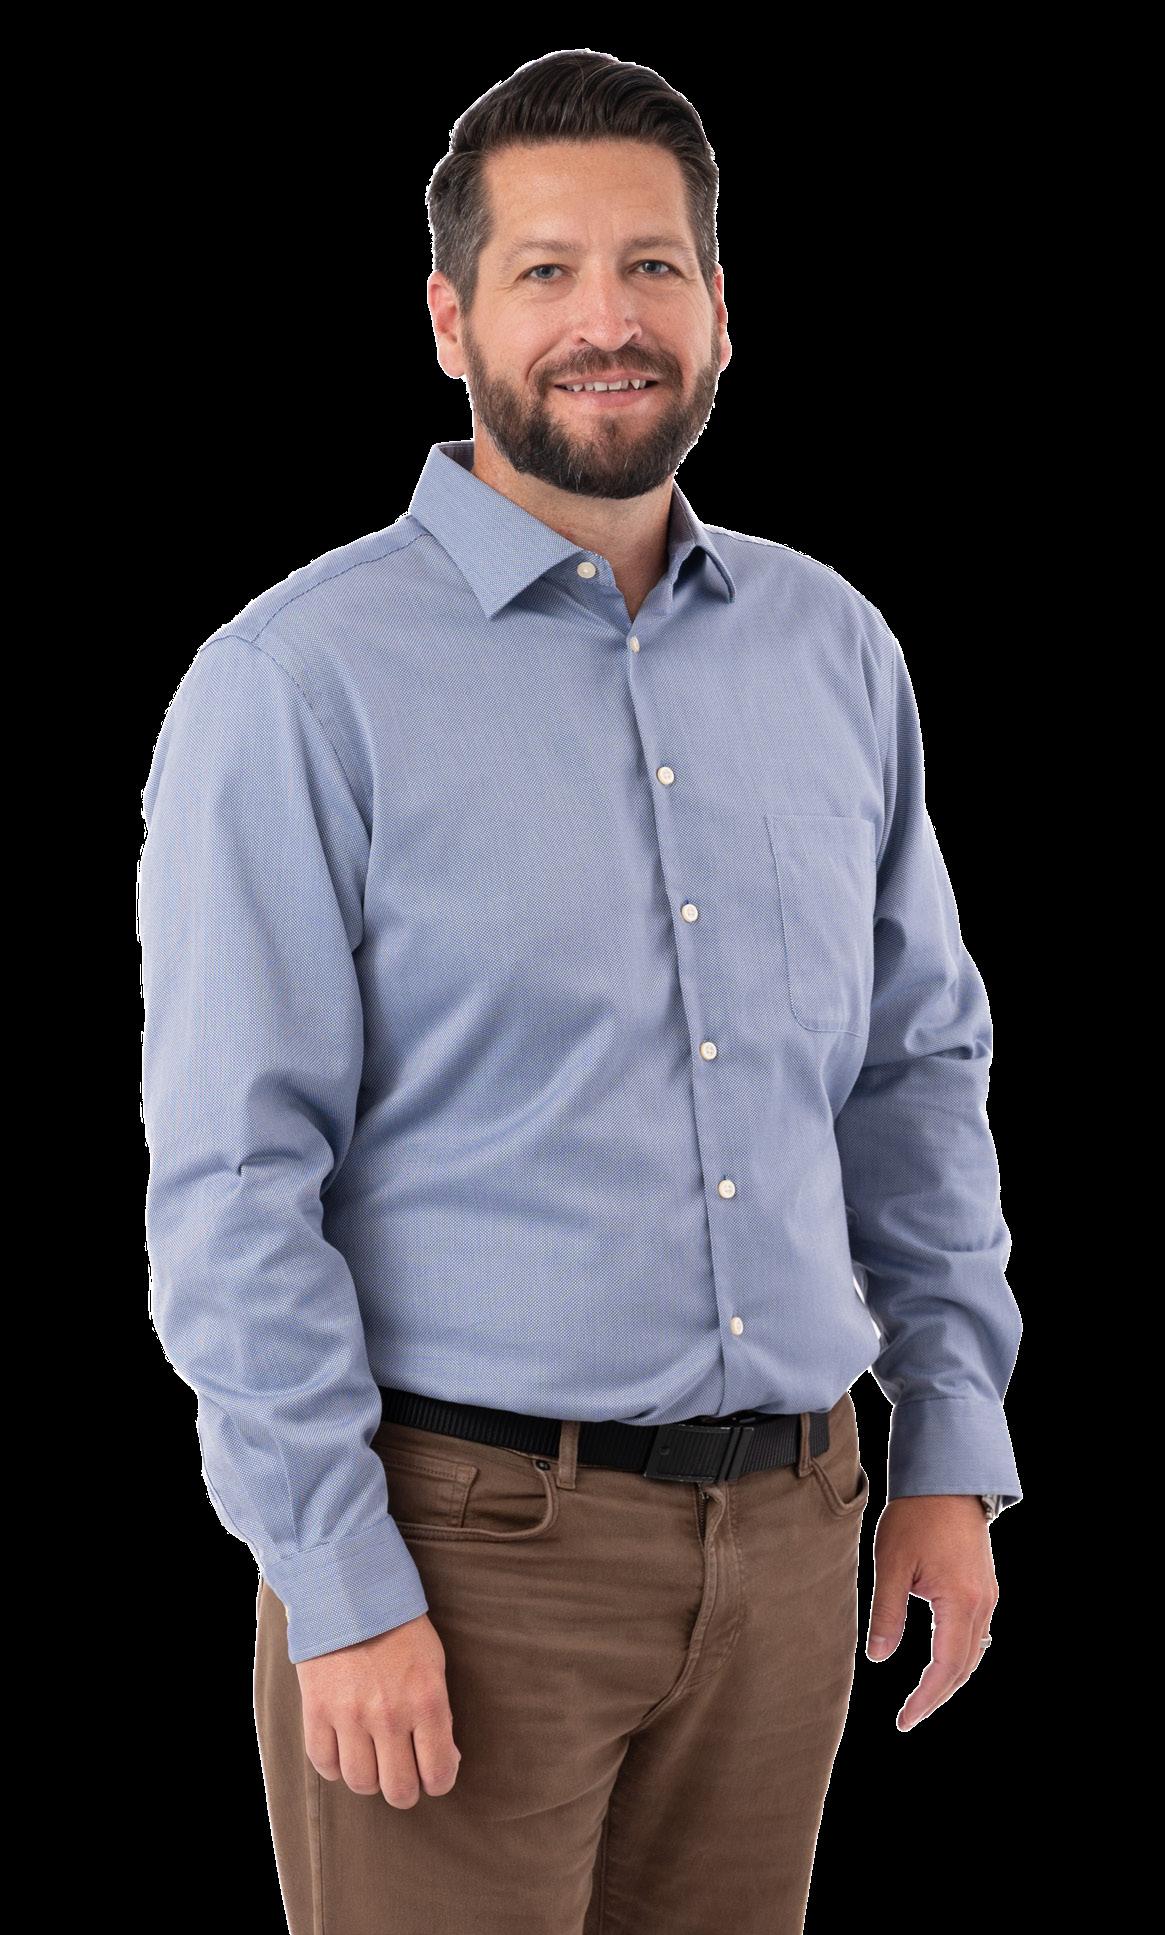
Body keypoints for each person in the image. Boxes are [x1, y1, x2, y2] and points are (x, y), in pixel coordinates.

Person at [138, 47, 1022, 1935]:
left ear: (719, 310)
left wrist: (946, 1447)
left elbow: (913, 1076)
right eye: (544, 271)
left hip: (791, 1543)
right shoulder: (296, 686)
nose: (605, 320)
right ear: (450, 320)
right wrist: (337, 1577)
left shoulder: (833, 650)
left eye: (651, 267)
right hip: (459, 1560)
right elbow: (233, 1178)